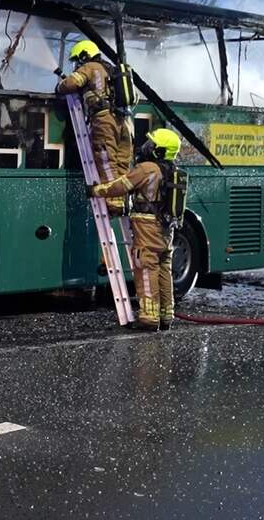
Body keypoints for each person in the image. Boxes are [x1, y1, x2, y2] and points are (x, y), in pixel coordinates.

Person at [89, 128, 182, 331]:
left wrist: (96, 190)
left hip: (148, 229)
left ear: (159, 150)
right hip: (166, 230)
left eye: (151, 144)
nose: (145, 147)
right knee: (163, 269)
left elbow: (120, 186)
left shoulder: (147, 168)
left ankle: (149, 318)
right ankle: (166, 315)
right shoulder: (174, 172)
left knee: (146, 269)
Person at [55, 40, 133, 212]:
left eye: (78, 60)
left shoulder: (90, 67)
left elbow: (70, 84)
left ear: (85, 55)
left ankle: (113, 202)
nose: (77, 64)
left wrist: (60, 86)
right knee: (122, 163)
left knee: (106, 159)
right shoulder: (111, 69)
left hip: (104, 120)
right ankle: (122, 200)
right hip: (124, 120)